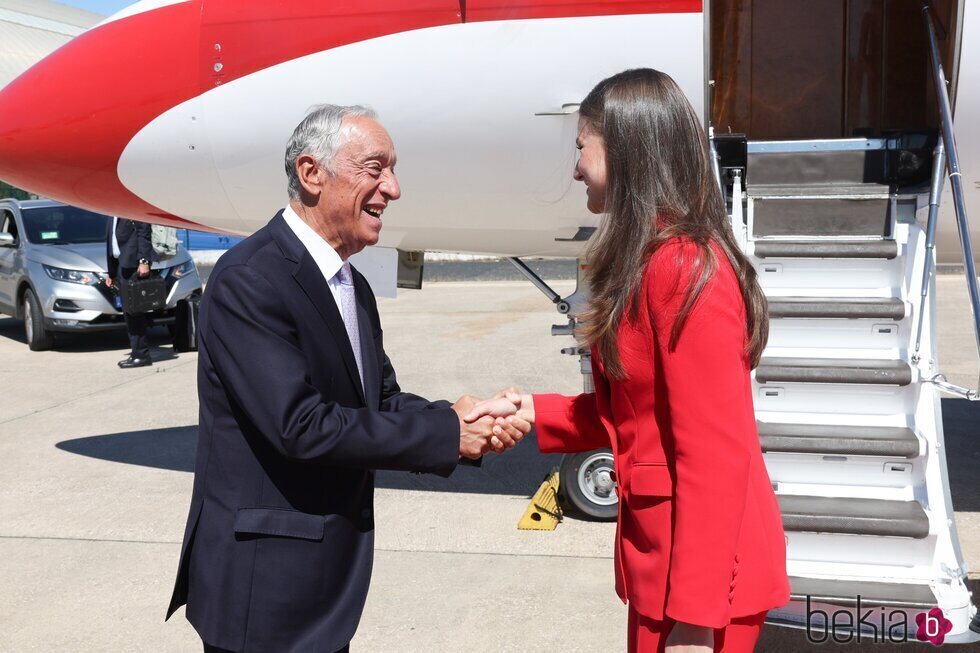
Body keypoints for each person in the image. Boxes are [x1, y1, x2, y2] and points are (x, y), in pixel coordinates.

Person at [166, 104, 530, 652]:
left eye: (393, 169)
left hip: (319, 593)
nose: (394, 188)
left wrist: (461, 419)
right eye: (376, 168)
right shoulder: (250, 280)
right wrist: (447, 434)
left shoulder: (349, 284)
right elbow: (301, 425)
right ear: (312, 174)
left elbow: (377, 401)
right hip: (264, 593)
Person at [468, 69, 790, 652]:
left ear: (625, 151)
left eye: (581, 148)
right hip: (664, 568)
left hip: (701, 586)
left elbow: (717, 451)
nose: (574, 169)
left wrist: (693, 619)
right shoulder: (651, 260)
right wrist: (529, 410)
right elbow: (639, 418)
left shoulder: (683, 267)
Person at [106, 216, 154, 368]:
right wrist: (112, 273)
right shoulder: (111, 214)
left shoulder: (129, 209)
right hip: (121, 266)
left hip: (133, 266)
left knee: (134, 312)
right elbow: (111, 243)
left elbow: (144, 232)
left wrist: (144, 261)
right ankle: (137, 351)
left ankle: (141, 354)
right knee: (129, 311)